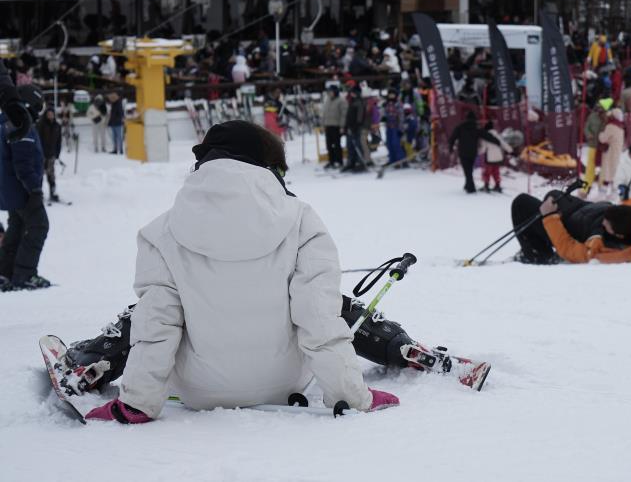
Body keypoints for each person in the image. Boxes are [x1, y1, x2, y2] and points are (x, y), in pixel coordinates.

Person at [75, 121, 398, 423]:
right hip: (283, 383)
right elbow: (317, 315)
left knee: (143, 312)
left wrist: (137, 403)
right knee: (326, 304)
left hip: (198, 390)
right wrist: (353, 397)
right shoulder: (302, 219)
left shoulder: (160, 230)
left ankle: (103, 364)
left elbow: (157, 323)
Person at [509, 148, 631, 264]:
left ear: (618, 235)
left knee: (521, 204)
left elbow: (568, 248)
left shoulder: (600, 249)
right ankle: (536, 246)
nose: (603, 223)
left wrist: (549, 216)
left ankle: (539, 256)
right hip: (581, 210)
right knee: (552, 195)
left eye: (606, 225)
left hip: (569, 224)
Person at [0, 85, 50, 290]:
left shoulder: (5, 122)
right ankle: (25, 274)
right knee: (39, 226)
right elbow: (23, 163)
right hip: (22, 190)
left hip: (8, 190)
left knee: (17, 227)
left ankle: (5, 272)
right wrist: (35, 190)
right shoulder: (21, 123)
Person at [449, 111, 500, 194]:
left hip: (463, 152)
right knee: (469, 170)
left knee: (467, 170)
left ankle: (470, 187)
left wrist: (450, 148)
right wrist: (497, 141)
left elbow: (452, 138)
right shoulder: (476, 128)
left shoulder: (460, 127)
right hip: (472, 152)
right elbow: (486, 135)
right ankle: (467, 185)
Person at [596, 100, 625, 199]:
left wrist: (600, 134)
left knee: (606, 172)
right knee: (614, 172)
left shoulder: (610, 126)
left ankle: (602, 194)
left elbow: (603, 138)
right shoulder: (621, 127)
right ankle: (614, 193)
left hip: (609, 152)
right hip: (617, 153)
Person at [36, 108, 62, 203]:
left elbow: (59, 141)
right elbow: (37, 139)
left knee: (51, 175)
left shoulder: (57, 126)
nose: (50, 115)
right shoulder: (41, 125)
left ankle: (53, 193)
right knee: (40, 175)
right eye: (49, 114)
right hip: (41, 154)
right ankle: (38, 195)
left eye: (52, 114)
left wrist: (57, 153)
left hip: (51, 154)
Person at [479, 120, 512, 193]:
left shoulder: (486, 136)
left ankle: (486, 185)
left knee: (487, 172)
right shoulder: (497, 135)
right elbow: (503, 144)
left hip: (489, 158)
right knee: (496, 172)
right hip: (498, 157)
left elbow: (483, 149)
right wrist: (510, 150)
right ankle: (497, 185)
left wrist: (477, 152)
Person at [320, 84, 347, 169]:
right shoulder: (327, 100)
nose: (329, 93)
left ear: (335, 92)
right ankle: (331, 161)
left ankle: (339, 161)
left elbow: (344, 115)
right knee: (329, 145)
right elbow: (324, 113)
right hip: (328, 125)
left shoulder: (341, 100)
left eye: (331, 92)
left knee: (337, 145)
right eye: (328, 92)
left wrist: (342, 126)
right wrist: (322, 125)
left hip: (336, 126)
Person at [342, 86, 368, 173]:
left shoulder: (359, 102)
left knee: (358, 145)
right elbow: (348, 116)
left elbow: (360, 117)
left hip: (356, 128)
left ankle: (360, 163)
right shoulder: (351, 102)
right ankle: (351, 162)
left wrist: (355, 127)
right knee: (350, 146)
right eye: (351, 93)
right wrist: (346, 126)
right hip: (350, 127)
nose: (351, 94)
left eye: (353, 92)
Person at [106, 91, 125, 155]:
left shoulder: (118, 104)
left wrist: (119, 119)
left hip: (117, 123)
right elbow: (112, 115)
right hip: (114, 123)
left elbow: (120, 114)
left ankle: (120, 149)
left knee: (118, 137)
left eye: (111, 99)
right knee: (115, 137)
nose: (110, 100)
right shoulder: (114, 104)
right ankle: (116, 149)